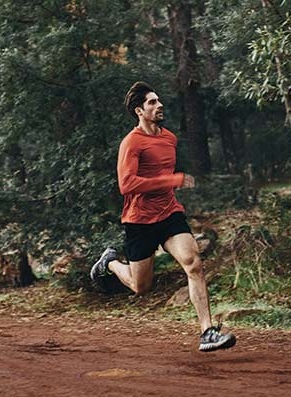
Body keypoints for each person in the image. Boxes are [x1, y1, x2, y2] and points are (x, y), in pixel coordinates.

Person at [90, 81, 236, 352]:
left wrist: (170, 183)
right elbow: (127, 185)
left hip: (169, 213)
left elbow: (161, 177)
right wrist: (171, 179)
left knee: (194, 264)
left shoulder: (169, 138)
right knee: (140, 286)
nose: (159, 105)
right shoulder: (131, 143)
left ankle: (207, 332)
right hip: (139, 220)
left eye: (159, 101)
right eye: (152, 103)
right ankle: (110, 262)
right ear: (139, 111)